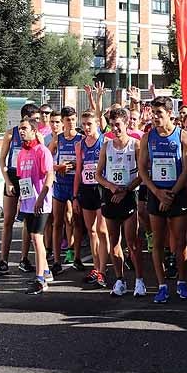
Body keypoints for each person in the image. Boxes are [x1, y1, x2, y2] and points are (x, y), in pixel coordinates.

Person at [139, 96, 187, 303]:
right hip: (156, 194)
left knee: (179, 242)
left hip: (177, 194)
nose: (155, 117)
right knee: (157, 242)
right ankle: (162, 285)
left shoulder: (183, 136)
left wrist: (170, 194)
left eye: (159, 113)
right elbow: (143, 169)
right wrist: (157, 192)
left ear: (170, 113)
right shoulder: (148, 137)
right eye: (153, 113)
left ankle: (181, 282)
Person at [97, 107, 146, 297]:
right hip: (111, 196)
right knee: (113, 240)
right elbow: (98, 174)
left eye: (118, 125)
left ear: (126, 124)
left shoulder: (136, 145)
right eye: (112, 125)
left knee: (132, 242)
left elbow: (142, 174)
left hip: (129, 196)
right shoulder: (106, 145)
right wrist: (110, 187)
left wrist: (125, 189)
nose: (115, 129)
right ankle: (120, 280)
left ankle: (139, 280)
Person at [0, 103, 41, 274]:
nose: (38, 122)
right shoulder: (11, 134)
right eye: (35, 119)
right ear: (25, 118)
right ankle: (3, 260)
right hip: (12, 177)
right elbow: (2, 161)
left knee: (27, 220)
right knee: (8, 220)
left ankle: (24, 258)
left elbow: (41, 157)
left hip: (27, 179)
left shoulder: (37, 135)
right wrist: (8, 181)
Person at [11, 117, 55, 295]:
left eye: (25, 128)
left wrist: (41, 197)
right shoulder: (21, 153)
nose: (21, 132)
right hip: (28, 203)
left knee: (37, 238)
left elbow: (49, 176)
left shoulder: (42, 151)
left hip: (41, 203)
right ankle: (45, 270)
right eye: (20, 129)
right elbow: (22, 179)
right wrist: (22, 200)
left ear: (34, 131)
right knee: (33, 238)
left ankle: (40, 280)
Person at [74, 110, 108, 289]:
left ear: (97, 124)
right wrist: (75, 196)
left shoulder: (105, 142)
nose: (86, 128)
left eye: (90, 124)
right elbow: (79, 171)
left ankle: (103, 269)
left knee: (103, 230)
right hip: (86, 190)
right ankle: (96, 267)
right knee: (92, 230)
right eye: (84, 124)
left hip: (101, 189)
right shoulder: (80, 145)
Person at [49, 106, 81, 276]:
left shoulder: (81, 139)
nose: (71, 123)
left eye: (73, 120)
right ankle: (56, 260)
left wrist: (77, 165)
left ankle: (76, 257)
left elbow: (86, 160)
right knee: (57, 223)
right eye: (67, 120)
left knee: (76, 221)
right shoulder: (58, 138)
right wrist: (57, 167)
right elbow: (46, 160)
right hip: (60, 185)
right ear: (62, 122)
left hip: (75, 184)